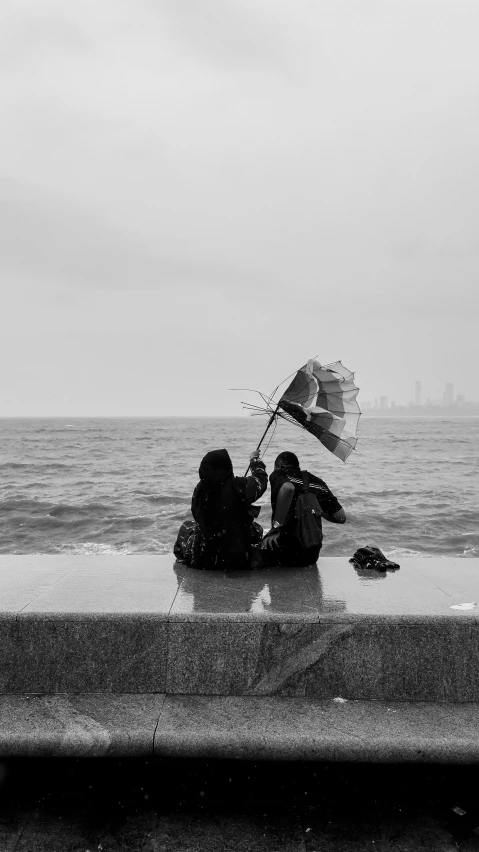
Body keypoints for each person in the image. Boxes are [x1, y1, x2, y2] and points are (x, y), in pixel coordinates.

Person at [174, 448, 267, 570]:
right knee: (257, 530)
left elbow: (197, 516)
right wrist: (254, 461)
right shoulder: (240, 485)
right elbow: (260, 480)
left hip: (204, 558)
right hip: (237, 559)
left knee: (186, 527)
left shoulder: (199, 490)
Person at [259, 451, 346, 567]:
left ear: (279, 466)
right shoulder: (317, 483)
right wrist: (316, 509)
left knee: (250, 549)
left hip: (285, 552)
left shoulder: (278, 474)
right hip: (311, 555)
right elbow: (341, 517)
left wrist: (276, 527)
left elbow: (288, 488)